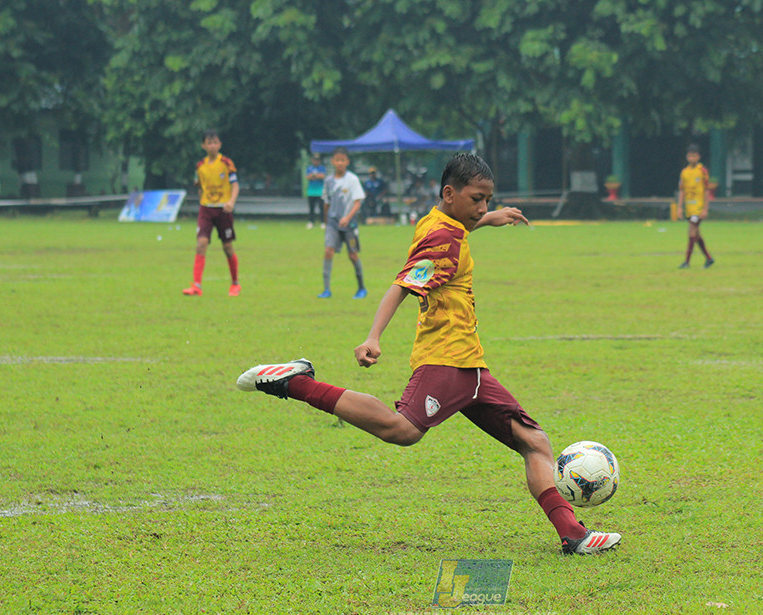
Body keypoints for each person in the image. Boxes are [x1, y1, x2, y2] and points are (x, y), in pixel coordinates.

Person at [237, 152, 621, 556]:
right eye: (477, 200)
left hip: (470, 365)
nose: (483, 208)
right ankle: (295, 382)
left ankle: (573, 534)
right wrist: (374, 336)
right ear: (449, 193)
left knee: (534, 441)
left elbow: (459, 233)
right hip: (446, 360)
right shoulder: (443, 237)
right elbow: (403, 284)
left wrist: (488, 219)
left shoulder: (444, 223)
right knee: (401, 430)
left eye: (488, 200)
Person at [183, 129, 240, 296]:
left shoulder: (227, 163)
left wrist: (231, 202)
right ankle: (197, 286)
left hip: (223, 210)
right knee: (201, 244)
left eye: (215, 142)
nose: (212, 146)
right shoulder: (200, 167)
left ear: (220, 144)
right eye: (209, 143)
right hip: (206, 209)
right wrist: (203, 200)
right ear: (203, 145)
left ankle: (235, 283)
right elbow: (199, 186)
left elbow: (235, 185)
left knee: (227, 247)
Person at [318, 147, 367, 299]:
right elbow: (326, 202)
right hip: (333, 223)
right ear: (332, 162)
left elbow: (357, 202)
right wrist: (326, 222)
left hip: (349, 225)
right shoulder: (328, 181)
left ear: (347, 162)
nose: (339, 163)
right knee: (328, 251)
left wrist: (347, 217)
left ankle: (361, 288)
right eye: (337, 160)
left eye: (342, 160)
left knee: (353, 255)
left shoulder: (352, 180)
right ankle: (326, 289)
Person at [675, 144, 714, 269]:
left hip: (698, 207)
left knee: (691, 231)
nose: (691, 158)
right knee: (696, 235)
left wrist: (705, 209)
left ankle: (686, 262)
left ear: (698, 157)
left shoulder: (702, 171)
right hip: (689, 207)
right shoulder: (684, 172)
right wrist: (680, 207)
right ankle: (708, 258)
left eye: (694, 156)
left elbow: (707, 190)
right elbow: (682, 190)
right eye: (689, 156)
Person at [305, 153, 326, 230]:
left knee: (322, 208)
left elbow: (322, 176)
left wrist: (314, 176)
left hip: (320, 191)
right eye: (314, 160)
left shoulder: (322, 168)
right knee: (311, 208)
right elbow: (308, 177)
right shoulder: (309, 168)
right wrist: (315, 176)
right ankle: (311, 222)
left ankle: (323, 222)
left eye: (317, 160)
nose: (316, 162)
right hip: (311, 191)